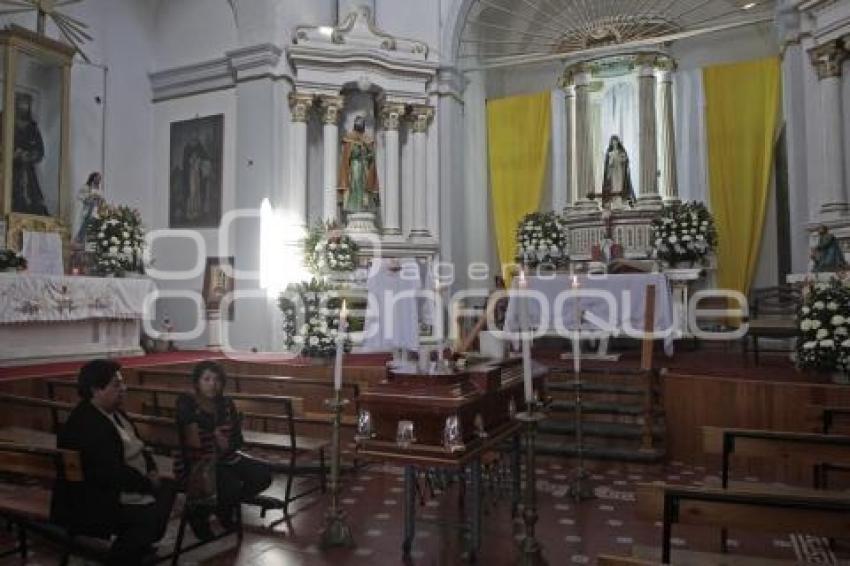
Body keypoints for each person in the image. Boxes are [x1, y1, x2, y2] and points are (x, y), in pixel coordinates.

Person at [51, 360, 176, 565]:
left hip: (120, 486)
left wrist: (152, 468)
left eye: (122, 384)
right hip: (94, 497)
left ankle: (138, 545)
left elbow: (138, 444)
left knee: (168, 488)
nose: (123, 389)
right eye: (116, 385)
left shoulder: (114, 412)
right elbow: (109, 472)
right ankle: (123, 556)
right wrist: (147, 483)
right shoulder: (86, 424)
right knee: (147, 517)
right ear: (95, 390)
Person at [175, 361, 272, 540]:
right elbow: (186, 420)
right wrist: (213, 431)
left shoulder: (226, 403)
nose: (213, 384)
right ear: (197, 382)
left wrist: (229, 444)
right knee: (230, 484)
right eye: (207, 379)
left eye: (217, 380)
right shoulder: (187, 401)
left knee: (263, 475)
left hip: (225, 457)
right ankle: (203, 513)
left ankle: (223, 508)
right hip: (197, 461)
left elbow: (237, 438)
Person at [11, 93, 48, 216]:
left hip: (28, 171)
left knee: (34, 202)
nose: (24, 107)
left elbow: (40, 151)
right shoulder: (7, 123)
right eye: (21, 104)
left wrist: (30, 155)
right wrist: (14, 154)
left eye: (26, 104)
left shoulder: (33, 128)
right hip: (11, 171)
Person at [338, 115, 379, 214]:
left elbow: (371, 156)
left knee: (365, 185)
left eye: (362, 124)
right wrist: (357, 150)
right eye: (359, 124)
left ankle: (365, 205)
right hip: (355, 165)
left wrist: (368, 154)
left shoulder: (367, 139)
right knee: (355, 183)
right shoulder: (349, 137)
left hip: (364, 166)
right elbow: (347, 155)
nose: (360, 126)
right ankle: (353, 205)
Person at [72, 172, 105, 246]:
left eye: (100, 178)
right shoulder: (86, 187)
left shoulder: (100, 190)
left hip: (96, 210)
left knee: (94, 228)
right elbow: (80, 196)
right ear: (93, 178)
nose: (99, 180)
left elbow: (102, 200)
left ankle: (91, 243)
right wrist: (90, 196)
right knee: (85, 226)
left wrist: (100, 200)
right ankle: (79, 240)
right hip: (87, 209)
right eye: (98, 177)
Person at [601, 135, 635, 206]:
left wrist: (623, 160)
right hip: (613, 173)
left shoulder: (621, 151)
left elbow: (626, 161)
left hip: (620, 172)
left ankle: (622, 202)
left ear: (618, 142)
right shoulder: (609, 152)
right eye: (613, 141)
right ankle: (615, 202)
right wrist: (610, 163)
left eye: (616, 141)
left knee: (620, 185)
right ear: (611, 142)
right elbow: (608, 165)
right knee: (614, 186)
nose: (614, 143)